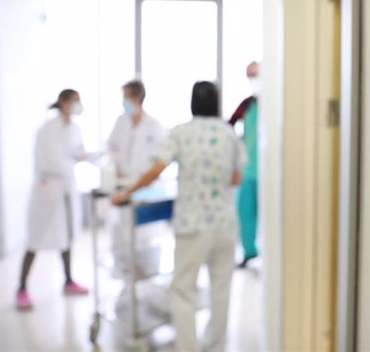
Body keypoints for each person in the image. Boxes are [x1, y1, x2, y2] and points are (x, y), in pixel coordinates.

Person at [112, 81, 245, 352]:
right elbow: (236, 177)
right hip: (225, 225)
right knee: (221, 289)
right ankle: (215, 345)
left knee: (183, 290)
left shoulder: (181, 134)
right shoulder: (229, 134)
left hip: (193, 226)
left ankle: (188, 347)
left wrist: (127, 192)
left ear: (192, 103)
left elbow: (154, 171)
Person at [16, 89, 90, 310]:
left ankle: (68, 281)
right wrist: (72, 160)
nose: (79, 105)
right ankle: (21, 288)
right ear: (65, 103)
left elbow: (77, 151)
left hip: (66, 189)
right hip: (47, 191)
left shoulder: (74, 128)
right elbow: (51, 161)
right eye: (77, 101)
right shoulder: (47, 130)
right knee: (36, 240)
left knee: (66, 236)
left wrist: (82, 156)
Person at [228, 61, 260, 268]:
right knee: (245, 212)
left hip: (271, 171)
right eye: (250, 76)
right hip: (249, 169)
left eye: (255, 75)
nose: (253, 79)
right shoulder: (247, 104)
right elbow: (229, 125)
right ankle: (250, 252)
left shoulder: (278, 103)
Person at [107, 79, 166, 184]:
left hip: (146, 183)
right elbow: (111, 147)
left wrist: (150, 174)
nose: (124, 101)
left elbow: (161, 156)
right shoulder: (121, 122)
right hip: (123, 180)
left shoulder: (153, 125)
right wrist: (116, 166)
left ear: (137, 97)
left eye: (126, 97)